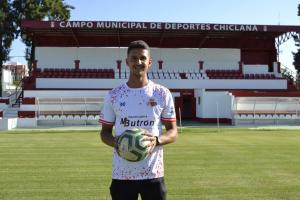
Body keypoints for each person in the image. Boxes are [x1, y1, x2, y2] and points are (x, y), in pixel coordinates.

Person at [99, 40, 178, 200]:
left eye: (142, 58)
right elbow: (104, 133)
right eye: (134, 58)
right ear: (127, 62)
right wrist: (118, 143)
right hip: (122, 174)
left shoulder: (162, 93)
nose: (138, 62)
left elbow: (173, 132)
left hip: (153, 174)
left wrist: (157, 140)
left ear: (150, 62)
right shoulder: (114, 95)